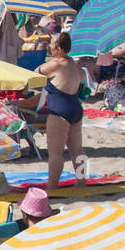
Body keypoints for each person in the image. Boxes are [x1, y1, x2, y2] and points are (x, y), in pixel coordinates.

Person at [36, 32, 85, 189]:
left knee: (55, 152)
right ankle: (81, 182)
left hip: (60, 111)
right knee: (77, 150)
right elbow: (83, 75)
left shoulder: (57, 64)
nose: (50, 46)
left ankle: (52, 185)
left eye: (51, 44)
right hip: (75, 108)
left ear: (57, 48)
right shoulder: (73, 65)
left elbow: (36, 72)